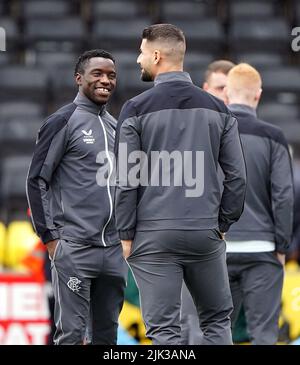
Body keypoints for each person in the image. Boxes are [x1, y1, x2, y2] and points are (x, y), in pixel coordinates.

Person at [115, 24, 247, 345]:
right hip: (206, 232)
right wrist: (222, 223)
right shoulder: (220, 109)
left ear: (157, 55)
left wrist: (125, 233)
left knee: (164, 332)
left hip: (153, 235)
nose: (138, 59)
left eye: (143, 52)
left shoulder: (134, 109)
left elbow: (126, 179)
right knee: (216, 322)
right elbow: (237, 176)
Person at [26, 49, 127, 345]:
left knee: (107, 335)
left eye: (111, 75)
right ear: (79, 78)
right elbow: (36, 180)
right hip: (75, 249)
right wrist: (53, 241)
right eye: (98, 74)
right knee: (71, 334)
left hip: (112, 251)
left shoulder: (116, 127)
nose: (105, 80)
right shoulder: (62, 121)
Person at [224, 63, 294, 344]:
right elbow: (284, 196)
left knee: (216, 332)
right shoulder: (274, 137)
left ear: (227, 93)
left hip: (218, 249)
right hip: (263, 249)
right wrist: (281, 245)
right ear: (258, 95)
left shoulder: (210, 132)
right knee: (264, 334)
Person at [180, 59, 235, 345]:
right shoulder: (186, 134)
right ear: (205, 89)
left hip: (241, 244)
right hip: (201, 239)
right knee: (192, 324)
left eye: (231, 89)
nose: (226, 94)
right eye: (219, 88)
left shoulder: (255, 133)